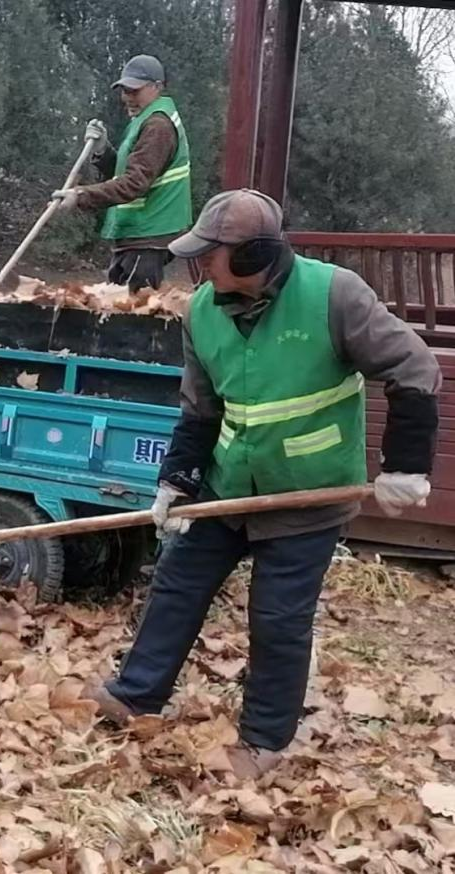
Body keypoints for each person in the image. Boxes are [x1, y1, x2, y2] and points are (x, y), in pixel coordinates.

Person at [86, 189, 440, 777]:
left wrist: (405, 465)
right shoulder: (201, 311)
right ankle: (136, 695)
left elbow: (414, 367)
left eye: (210, 254)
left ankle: (265, 740)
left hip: (308, 495)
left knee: (277, 619)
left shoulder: (335, 296)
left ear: (254, 255)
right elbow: (200, 409)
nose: (199, 265)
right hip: (228, 486)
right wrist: (178, 479)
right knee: (176, 585)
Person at [53, 54, 192, 293]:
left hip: (149, 233)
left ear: (157, 87)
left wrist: (81, 195)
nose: (127, 97)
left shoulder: (158, 126)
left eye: (134, 91)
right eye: (125, 90)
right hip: (140, 234)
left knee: (133, 308)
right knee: (116, 303)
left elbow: (135, 183)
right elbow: (127, 172)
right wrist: (102, 151)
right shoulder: (147, 119)